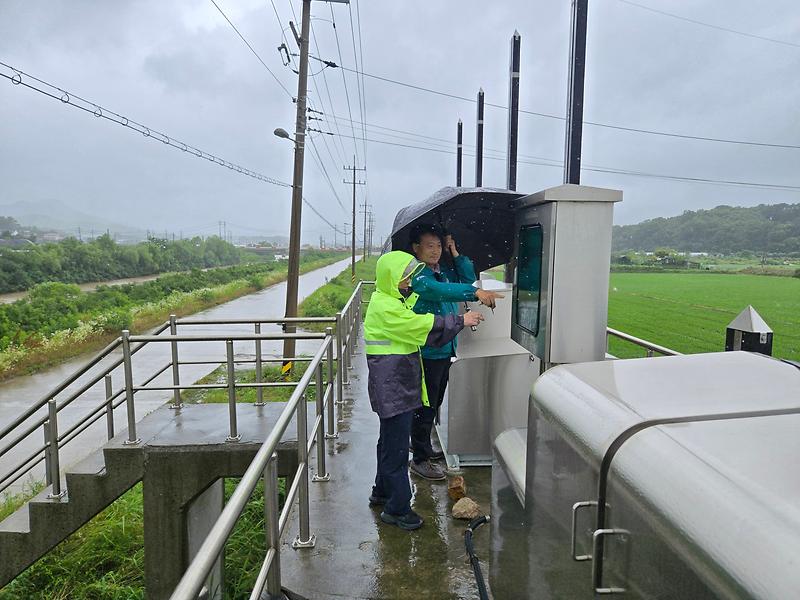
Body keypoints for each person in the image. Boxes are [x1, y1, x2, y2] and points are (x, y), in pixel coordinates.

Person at [364, 250, 484, 530]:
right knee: (396, 451)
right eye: (405, 277)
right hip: (395, 388)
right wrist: (460, 320)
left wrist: (423, 294)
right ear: (391, 278)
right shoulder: (386, 308)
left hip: (393, 386)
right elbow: (421, 326)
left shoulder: (389, 300)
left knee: (388, 443)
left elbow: (413, 316)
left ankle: (381, 492)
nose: (408, 282)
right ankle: (397, 509)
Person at [408, 224, 504, 480]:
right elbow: (442, 291)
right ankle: (419, 458)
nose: (435, 251)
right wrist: (475, 293)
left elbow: (467, 278)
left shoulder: (442, 272)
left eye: (439, 246)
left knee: (435, 401)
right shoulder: (420, 277)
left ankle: (423, 447)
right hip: (427, 350)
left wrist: (455, 252)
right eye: (429, 246)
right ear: (416, 248)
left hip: (445, 347)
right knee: (425, 405)